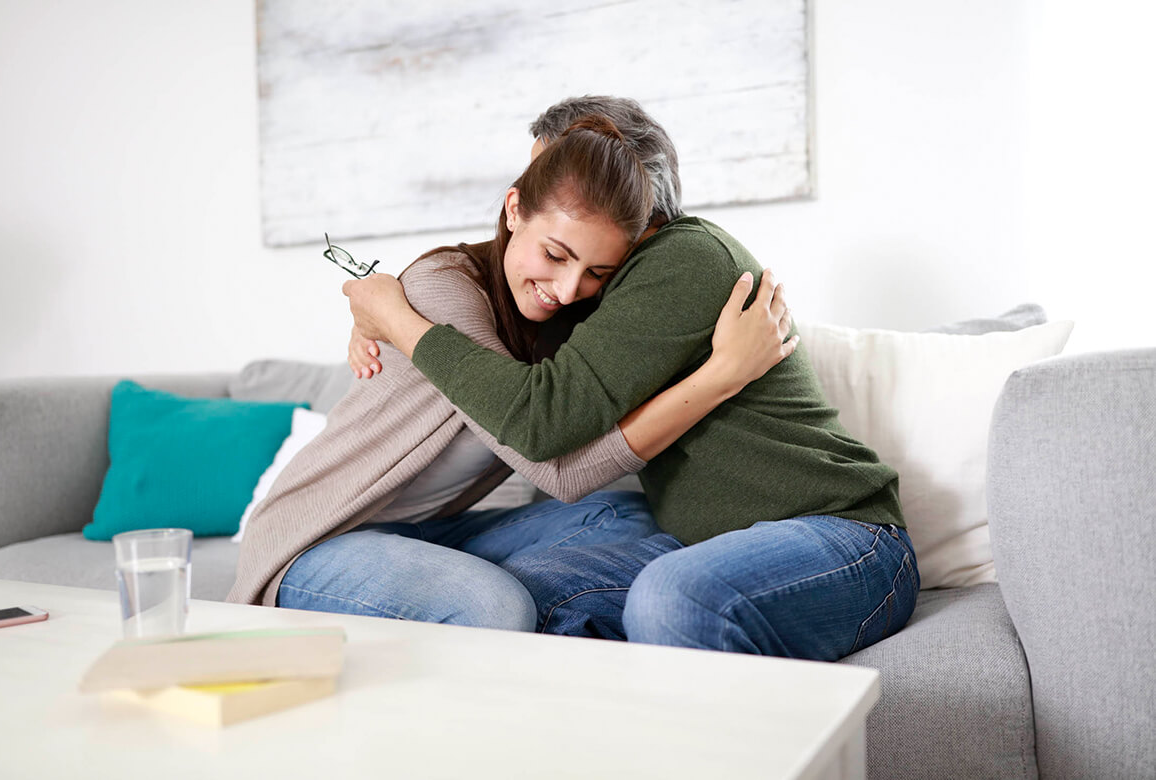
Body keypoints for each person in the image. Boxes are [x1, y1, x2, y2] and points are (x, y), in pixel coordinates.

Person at [343, 96, 920, 661]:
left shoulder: (684, 259)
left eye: (557, 166)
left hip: (844, 538)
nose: (541, 185)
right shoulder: (592, 290)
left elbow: (541, 420)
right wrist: (373, 309)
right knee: (524, 596)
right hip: (710, 548)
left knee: (672, 596)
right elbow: (482, 301)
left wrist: (397, 318)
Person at [226, 115, 797, 630]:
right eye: (554, 255)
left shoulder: (566, 316)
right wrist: (722, 374)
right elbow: (559, 471)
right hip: (320, 537)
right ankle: (480, 601)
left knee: (632, 518)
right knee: (494, 606)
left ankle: (462, 593)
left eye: (597, 271)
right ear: (513, 208)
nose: (568, 289)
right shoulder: (442, 288)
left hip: (431, 532)